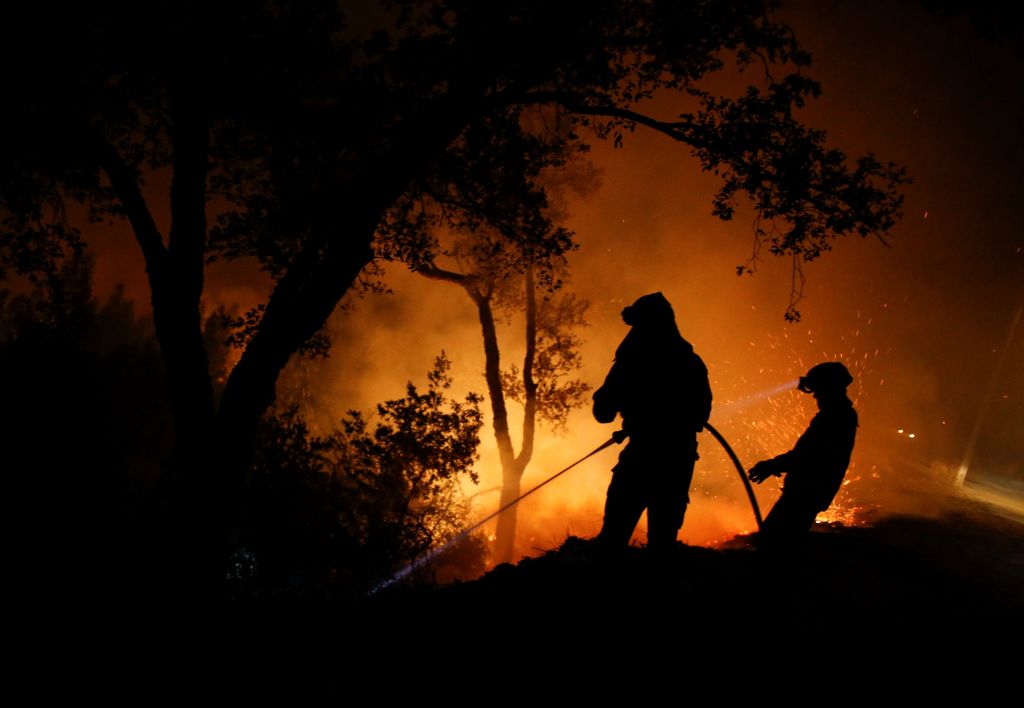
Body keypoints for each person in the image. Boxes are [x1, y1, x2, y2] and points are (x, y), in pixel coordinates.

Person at [592, 292, 712, 551]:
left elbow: (603, 412)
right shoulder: (691, 362)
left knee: (614, 536)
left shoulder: (631, 362)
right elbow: (702, 413)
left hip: (642, 457)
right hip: (678, 460)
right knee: (662, 542)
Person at [748, 362, 858, 547]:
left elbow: (809, 456)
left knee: (772, 544)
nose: (815, 395)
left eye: (818, 390)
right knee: (779, 543)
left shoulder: (835, 418)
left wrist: (772, 466)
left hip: (805, 493)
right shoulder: (839, 415)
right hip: (809, 492)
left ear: (830, 388)